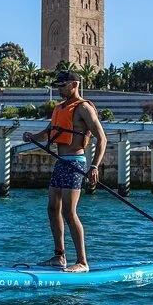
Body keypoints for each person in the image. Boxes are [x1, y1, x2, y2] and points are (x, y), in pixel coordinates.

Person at [23, 70, 107, 273]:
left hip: (75, 163)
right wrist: (32, 136)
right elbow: (48, 133)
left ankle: (82, 262)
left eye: (62, 86)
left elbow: (102, 138)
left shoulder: (84, 108)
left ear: (74, 84)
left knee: (70, 212)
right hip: (61, 162)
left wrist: (94, 166)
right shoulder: (60, 108)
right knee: (52, 209)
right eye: (57, 86)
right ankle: (59, 256)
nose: (59, 89)